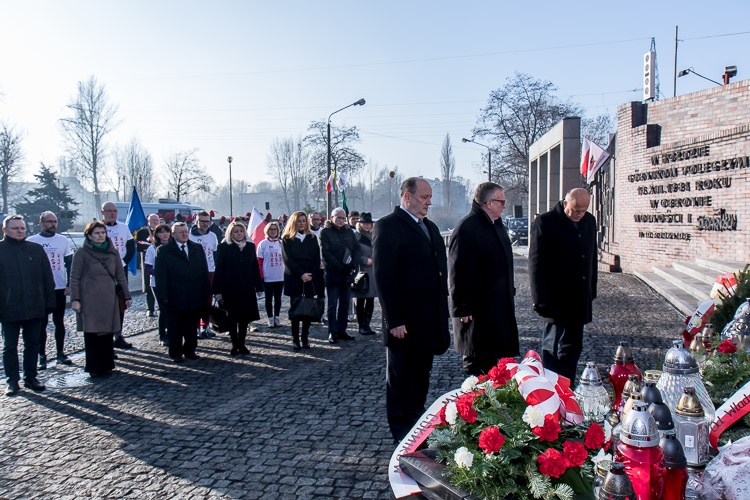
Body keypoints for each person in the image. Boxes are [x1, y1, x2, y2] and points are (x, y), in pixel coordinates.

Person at [373, 177, 450, 442]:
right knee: (400, 379)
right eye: (423, 197)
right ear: (407, 196)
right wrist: (394, 319)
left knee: (420, 377)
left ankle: (416, 427)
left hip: (428, 319)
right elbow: (384, 277)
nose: (429, 202)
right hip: (403, 322)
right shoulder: (388, 226)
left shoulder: (430, 227)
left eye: (430, 198)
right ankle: (400, 432)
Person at [529, 187, 597, 386]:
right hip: (555, 301)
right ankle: (551, 391)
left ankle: (568, 389)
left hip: (579, 299)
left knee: (573, 349)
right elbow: (536, 264)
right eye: (575, 210)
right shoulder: (546, 222)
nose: (579, 215)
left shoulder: (589, 221)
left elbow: (591, 257)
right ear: (565, 203)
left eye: (583, 211)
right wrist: (540, 300)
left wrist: (591, 290)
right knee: (554, 350)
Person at [449, 183, 519, 376]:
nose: (504, 205)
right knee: (479, 368)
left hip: (498, 309)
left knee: (496, 369)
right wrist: (462, 307)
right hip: (478, 314)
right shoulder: (467, 228)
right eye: (501, 201)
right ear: (488, 203)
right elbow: (457, 272)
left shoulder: (496, 225)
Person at [0, 215, 55, 395]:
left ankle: (31, 377)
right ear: (5, 230)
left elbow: (47, 278)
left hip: (34, 305)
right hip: (8, 307)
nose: (20, 231)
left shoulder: (36, 249)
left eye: (22, 228)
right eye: (15, 228)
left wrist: (49, 303)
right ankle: (12, 380)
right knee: (10, 346)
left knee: (32, 344)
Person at [70, 221, 133, 378]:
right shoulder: (82, 253)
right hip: (89, 298)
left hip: (109, 297)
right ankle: (93, 366)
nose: (100, 236)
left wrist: (127, 295)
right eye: (97, 233)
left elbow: (120, 275)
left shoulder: (113, 253)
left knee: (107, 331)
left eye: (103, 233)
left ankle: (107, 364)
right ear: (89, 236)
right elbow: (74, 277)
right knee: (92, 332)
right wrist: (75, 299)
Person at [154, 222, 211, 363]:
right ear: (173, 234)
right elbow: (161, 276)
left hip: (194, 294)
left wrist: (206, 291)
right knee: (175, 327)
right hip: (175, 295)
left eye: (186, 231)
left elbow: (204, 270)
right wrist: (163, 297)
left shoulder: (197, 248)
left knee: (191, 326)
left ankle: (190, 350)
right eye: (181, 232)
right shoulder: (164, 251)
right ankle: (176, 353)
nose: (185, 234)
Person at [28, 211, 74, 367]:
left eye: (55, 221)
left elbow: (70, 264)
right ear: (41, 223)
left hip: (59, 287)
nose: (53, 224)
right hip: (40, 289)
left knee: (59, 321)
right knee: (41, 323)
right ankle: (42, 355)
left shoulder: (62, 240)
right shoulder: (32, 241)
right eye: (49, 221)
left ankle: (60, 352)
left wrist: (69, 284)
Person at [214, 221, 264, 355]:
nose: (239, 234)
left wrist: (259, 286)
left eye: (241, 231)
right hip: (230, 288)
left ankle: (242, 344)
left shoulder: (250, 246)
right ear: (231, 233)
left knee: (244, 318)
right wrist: (217, 290)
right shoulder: (224, 247)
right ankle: (234, 344)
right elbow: (219, 269)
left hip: (247, 287)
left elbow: (254, 268)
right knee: (232, 318)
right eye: (236, 231)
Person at [281, 211, 324, 351]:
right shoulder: (287, 239)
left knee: (308, 309)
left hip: (310, 277)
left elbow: (316, 258)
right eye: (299, 221)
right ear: (294, 222)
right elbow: (288, 260)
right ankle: (295, 338)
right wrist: (301, 274)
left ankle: (305, 337)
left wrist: (310, 274)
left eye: (303, 221)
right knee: (296, 309)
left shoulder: (311, 238)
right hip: (295, 278)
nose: (301, 223)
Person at [320, 207, 360, 343]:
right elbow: (326, 253)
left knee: (344, 304)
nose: (341, 220)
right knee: (332, 305)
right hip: (333, 274)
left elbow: (356, 249)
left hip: (347, 274)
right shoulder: (325, 232)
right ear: (332, 218)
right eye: (338, 217)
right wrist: (340, 267)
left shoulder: (349, 232)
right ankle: (332, 331)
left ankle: (342, 330)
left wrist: (353, 264)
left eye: (343, 218)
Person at [100, 201, 135, 349]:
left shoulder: (123, 227)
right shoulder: (97, 228)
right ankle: (105, 337)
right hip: (102, 272)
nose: (112, 213)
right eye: (109, 211)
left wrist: (123, 262)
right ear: (103, 212)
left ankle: (118, 335)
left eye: (114, 211)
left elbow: (131, 247)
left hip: (120, 270)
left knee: (121, 303)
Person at [190, 210, 218, 338]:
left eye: (208, 221)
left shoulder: (212, 236)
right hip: (194, 272)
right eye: (202, 221)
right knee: (195, 300)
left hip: (210, 271)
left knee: (208, 301)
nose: (205, 224)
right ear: (196, 222)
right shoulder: (189, 236)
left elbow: (215, 253)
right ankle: (195, 327)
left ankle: (205, 326)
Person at [143, 223, 172, 346]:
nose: (164, 234)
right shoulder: (152, 248)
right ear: (157, 234)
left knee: (172, 309)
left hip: (173, 282)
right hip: (157, 283)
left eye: (166, 231)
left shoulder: (173, 246)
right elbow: (148, 268)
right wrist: (161, 273)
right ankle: (162, 335)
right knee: (163, 309)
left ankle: (172, 332)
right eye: (161, 232)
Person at [352, 212, 377, 336]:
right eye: (365, 223)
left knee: (371, 299)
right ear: (360, 224)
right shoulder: (356, 236)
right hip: (361, 271)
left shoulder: (374, 236)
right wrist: (364, 260)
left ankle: (367, 324)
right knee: (361, 299)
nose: (367, 225)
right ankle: (361, 325)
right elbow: (352, 254)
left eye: (369, 223)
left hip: (373, 271)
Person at [256, 221, 284, 328]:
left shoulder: (281, 243)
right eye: (271, 229)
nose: (273, 231)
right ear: (267, 231)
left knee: (278, 298)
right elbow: (259, 262)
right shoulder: (263, 244)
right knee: (268, 298)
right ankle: (270, 318)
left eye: (275, 229)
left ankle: (277, 316)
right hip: (268, 276)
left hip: (280, 276)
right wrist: (261, 276)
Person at [136, 213, 160, 318]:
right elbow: (139, 246)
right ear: (148, 221)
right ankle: (150, 308)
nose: (154, 222)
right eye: (152, 220)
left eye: (156, 220)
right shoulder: (142, 232)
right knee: (149, 285)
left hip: (161, 260)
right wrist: (150, 246)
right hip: (148, 260)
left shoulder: (162, 230)